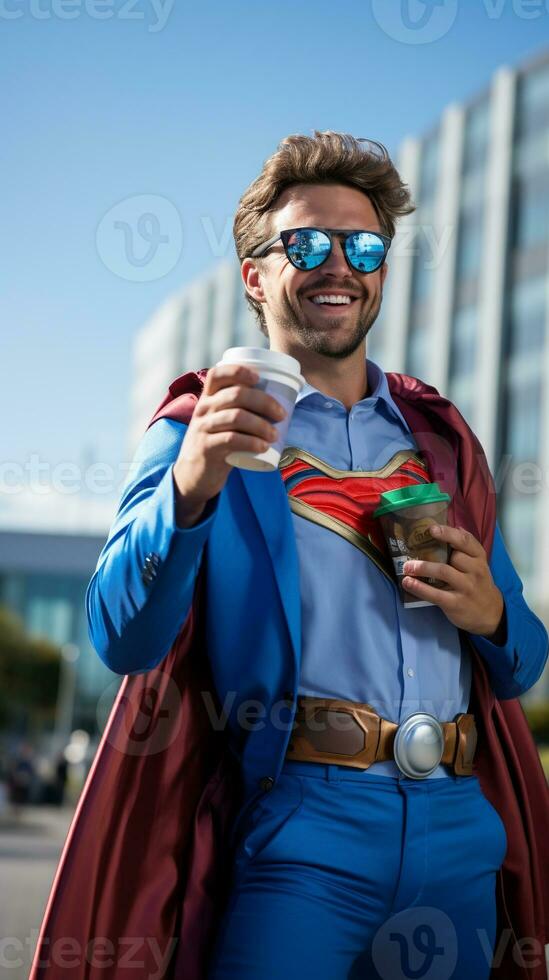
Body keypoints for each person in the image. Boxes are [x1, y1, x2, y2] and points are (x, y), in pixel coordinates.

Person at [30, 132, 549, 980]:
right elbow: (120, 637)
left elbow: (523, 656)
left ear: (382, 270)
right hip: (304, 830)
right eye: (305, 243)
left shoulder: (442, 443)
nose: (337, 263)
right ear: (256, 275)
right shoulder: (202, 425)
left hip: (461, 828)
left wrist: (490, 615)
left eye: (363, 245)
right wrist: (190, 490)